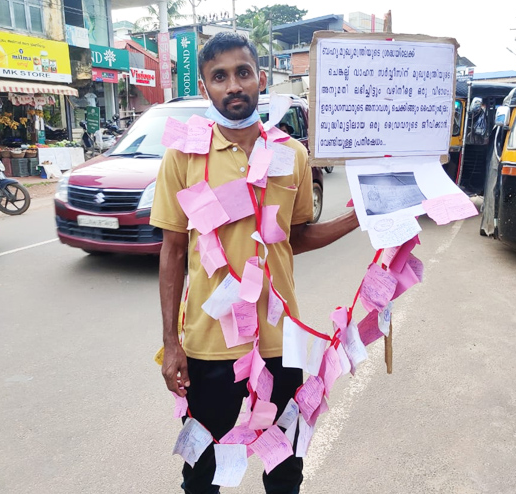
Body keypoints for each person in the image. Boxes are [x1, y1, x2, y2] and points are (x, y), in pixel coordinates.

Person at [150, 31, 359, 494]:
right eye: (219, 77)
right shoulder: (183, 156)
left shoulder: (292, 155)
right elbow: (173, 251)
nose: (233, 86)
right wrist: (172, 344)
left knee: (285, 468)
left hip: (280, 340)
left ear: (260, 78)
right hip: (208, 344)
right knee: (202, 473)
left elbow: (296, 238)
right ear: (205, 87)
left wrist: (356, 219)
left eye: (242, 72)